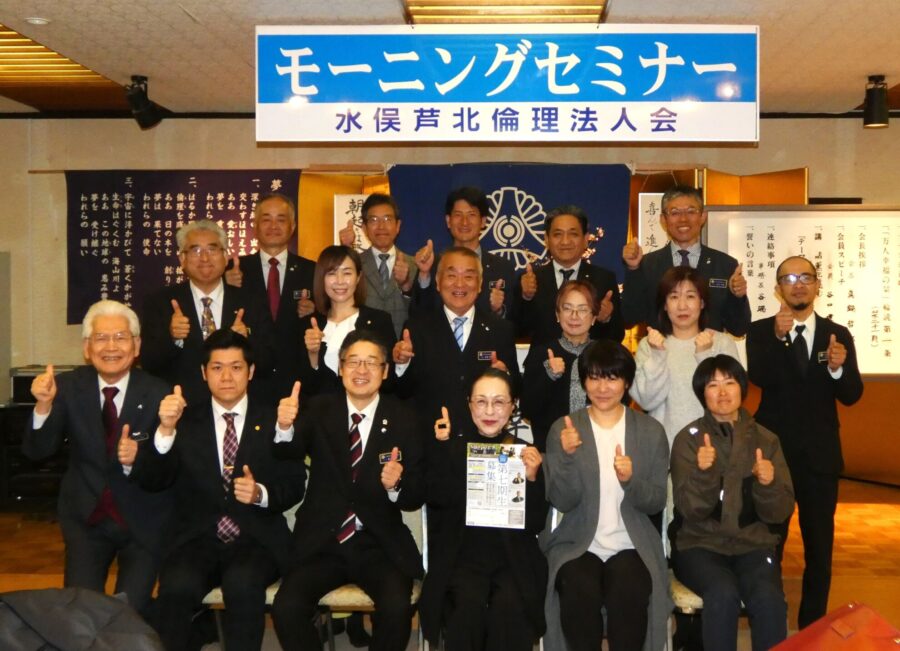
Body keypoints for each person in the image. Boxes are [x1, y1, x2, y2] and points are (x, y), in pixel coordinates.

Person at [137, 329, 305, 651]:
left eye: (236, 367)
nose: (226, 377)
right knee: (176, 585)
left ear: (251, 371)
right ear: (204, 373)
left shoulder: (275, 419)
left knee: (242, 583)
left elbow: (294, 484)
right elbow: (154, 479)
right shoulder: (184, 420)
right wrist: (165, 430)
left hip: (256, 538)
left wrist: (260, 494)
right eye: (217, 367)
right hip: (197, 538)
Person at [271, 330, 425, 651]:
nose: (361, 370)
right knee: (287, 607)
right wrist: (284, 427)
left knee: (397, 606)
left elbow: (415, 493)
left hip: (378, 542)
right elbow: (288, 451)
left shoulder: (404, 418)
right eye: (353, 362)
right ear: (340, 368)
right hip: (322, 541)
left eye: (371, 362)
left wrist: (396, 485)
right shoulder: (318, 408)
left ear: (385, 370)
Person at [22, 300, 172, 615]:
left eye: (120, 337)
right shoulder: (66, 387)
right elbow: (38, 451)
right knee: (81, 611)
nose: (111, 347)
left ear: (137, 345)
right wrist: (43, 407)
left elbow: (166, 470)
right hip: (86, 519)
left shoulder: (159, 393)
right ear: (87, 348)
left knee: (130, 611)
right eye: (101, 338)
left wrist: (138, 456)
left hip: (142, 521)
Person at [746, 255, 863, 629]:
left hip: (820, 458)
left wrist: (838, 369)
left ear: (817, 285)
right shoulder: (761, 331)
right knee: (770, 545)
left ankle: (813, 628)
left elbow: (852, 394)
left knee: (820, 550)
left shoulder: (837, 334)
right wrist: (777, 337)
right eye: (789, 278)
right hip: (774, 458)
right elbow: (760, 376)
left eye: (805, 277)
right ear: (778, 288)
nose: (798, 285)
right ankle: (771, 623)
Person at [541, 340, 670, 651]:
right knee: (577, 589)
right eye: (594, 378)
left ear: (626, 382)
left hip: (632, 544)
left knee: (629, 592)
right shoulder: (565, 429)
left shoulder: (650, 431)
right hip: (577, 544)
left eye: (612, 378)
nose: (602, 388)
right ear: (584, 382)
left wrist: (631, 481)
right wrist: (567, 457)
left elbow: (656, 501)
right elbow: (562, 500)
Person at [670, 355, 794, 651]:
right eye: (713, 385)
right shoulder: (688, 440)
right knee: (722, 594)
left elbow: (779, 512)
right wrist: (704, 473)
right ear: (702, 394)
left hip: (752, 545)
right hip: (699, 545)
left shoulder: (767, 440)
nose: (723, 392)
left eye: (730, 382)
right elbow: (690, 510)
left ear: (742, 388)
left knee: (769, 598)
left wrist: (767, 484)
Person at [420, 369, 548, 651]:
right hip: (462, 556)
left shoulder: (525, 452)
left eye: (499, 402)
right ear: (469, 404)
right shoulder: (452, 446)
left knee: (510, 607)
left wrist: (532, 479)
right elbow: (436, 499)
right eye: (481, 401)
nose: (489, 411)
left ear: (513, 406)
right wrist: (442, 450)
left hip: (512, 557)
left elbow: (536, 523)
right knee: (467, 605)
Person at [140, 219, 273, 406]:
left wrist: (246, 340)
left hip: (238, 408)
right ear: (182, 259)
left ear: (225, 256)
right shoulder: (160, 302)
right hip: (181, 407)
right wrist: (173, 338)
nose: (204, 258)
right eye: (195, 250)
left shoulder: (251, 301)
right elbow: (148, 363)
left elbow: (269, 363)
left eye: (212, 250)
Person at [394, 246, 520, 438]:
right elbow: (401, 392)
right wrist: (402, 364)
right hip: (430, 442)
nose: (459, 284)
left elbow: (516, 387)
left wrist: (505, 376)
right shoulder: (416, 329)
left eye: (468, 276)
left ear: (480, 284)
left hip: (482, 442)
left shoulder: (501, 330)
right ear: (438, 282)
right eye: (451, 276)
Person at [630, 265, 740, 448]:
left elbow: (730, 399)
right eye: (674, 297)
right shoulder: (650, 345)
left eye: (690, 296)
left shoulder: (722, 343)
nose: (682, 306)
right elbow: (646, 401)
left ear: (702, 303)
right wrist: (658, 356)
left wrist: (705, 357)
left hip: (715, 447)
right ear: (665, 305)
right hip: (665, 448)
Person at [621, 185, 751, 336]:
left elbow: (739, 328)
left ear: (703, 216)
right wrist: (633, 270)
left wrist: (737, 296)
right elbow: (629, 318)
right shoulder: (647, 264)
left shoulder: (725, 264)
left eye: (691, 211)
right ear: (663, 220)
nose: (683, 219)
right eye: (675, 212)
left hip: (711, 350)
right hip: (661, 349)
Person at [224, 192, 316, 401]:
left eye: (281, 220)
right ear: (255, 226)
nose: (273, 226)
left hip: (299, 383)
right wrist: (224, 284)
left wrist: (315, 310)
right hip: (248, 383)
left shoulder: (312, 270)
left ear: (292, 227)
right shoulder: (232, 270)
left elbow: (330, 318)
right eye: (266, 219)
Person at [518, 205, 623, 345]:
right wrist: (526, 298)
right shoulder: (530, 280)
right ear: (547, 239)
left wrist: (606, 319)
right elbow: (517, 332)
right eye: (558, 234)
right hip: (543, 358)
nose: (565, 241)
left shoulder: (604, 279)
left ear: (586, 239)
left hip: (588, 358)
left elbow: (617, 336)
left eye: (573, 234)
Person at [299, 245, 396, 396]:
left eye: (347, 273)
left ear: (358, 277)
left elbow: (390, 382)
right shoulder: (308, 325)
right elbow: (302, 385)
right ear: (321, 278)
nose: (340, 281)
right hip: (320, 409)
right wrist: (313, 355)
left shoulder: (379, 321)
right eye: (332, 273)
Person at [413, 186, 517, 319]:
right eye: (458, 215)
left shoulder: (503, 268)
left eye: (471, 215)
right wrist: (424, 274)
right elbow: (417, 315)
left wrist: (498, 311)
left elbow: (515, 322)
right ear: (448, 221)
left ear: (483, 221)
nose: (464, 222)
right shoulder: (432, 264)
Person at [521, 280, 598, 451]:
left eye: (582, 309)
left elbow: (620, 404)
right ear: (557, 315)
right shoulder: (540, 354)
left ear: (593, 317)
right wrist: (548, 376)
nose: (574, 316)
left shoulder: (605, 355)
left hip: (596, 450)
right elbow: (526, 410)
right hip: (550, 449)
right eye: (567, 308)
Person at [338, 193, 419, 339]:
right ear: (364, 228)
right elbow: (339, 301)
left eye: (387, 219)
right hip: (364, 347)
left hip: (406, 347)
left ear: (398, 226)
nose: (381, 226)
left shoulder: (415, 265)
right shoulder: (354, 264)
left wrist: (406, 286)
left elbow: (423, 311)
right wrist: (345, 251)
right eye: (374, 220)